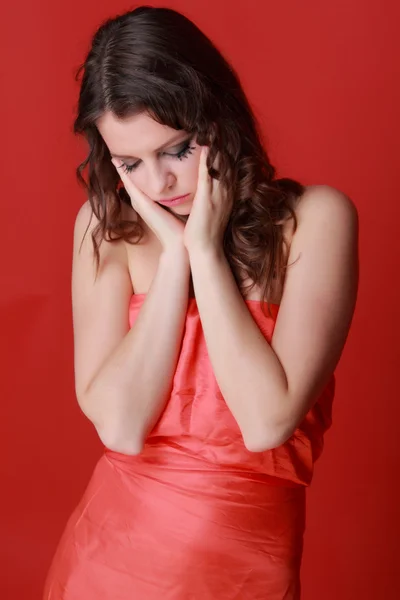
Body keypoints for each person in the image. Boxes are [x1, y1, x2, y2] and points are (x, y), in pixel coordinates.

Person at [43, 5, 359, 600]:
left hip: (248, 575)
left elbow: (267, 423)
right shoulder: (103, 228)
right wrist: (173, 259)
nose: (159, 184)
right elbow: (121, 427)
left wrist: (205, 253)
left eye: (178, 149)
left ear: (219, 118)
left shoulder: (317, 220)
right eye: (130, 164)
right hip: (105, 566)